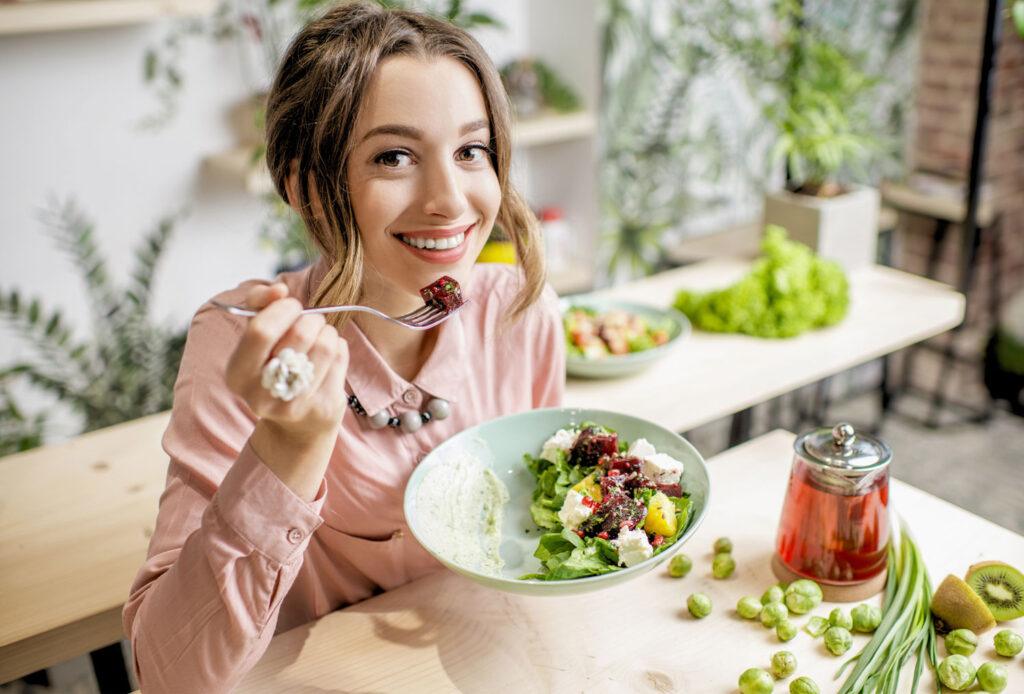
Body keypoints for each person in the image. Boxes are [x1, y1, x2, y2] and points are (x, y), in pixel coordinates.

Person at [122, 3, 564, 691]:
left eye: (471, 151)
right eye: (394, 157)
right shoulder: (243, 344)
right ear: (305, 187)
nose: (451, 200)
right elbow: (168, 675)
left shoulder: (519, 312)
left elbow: (539, 529)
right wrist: (288, 448)